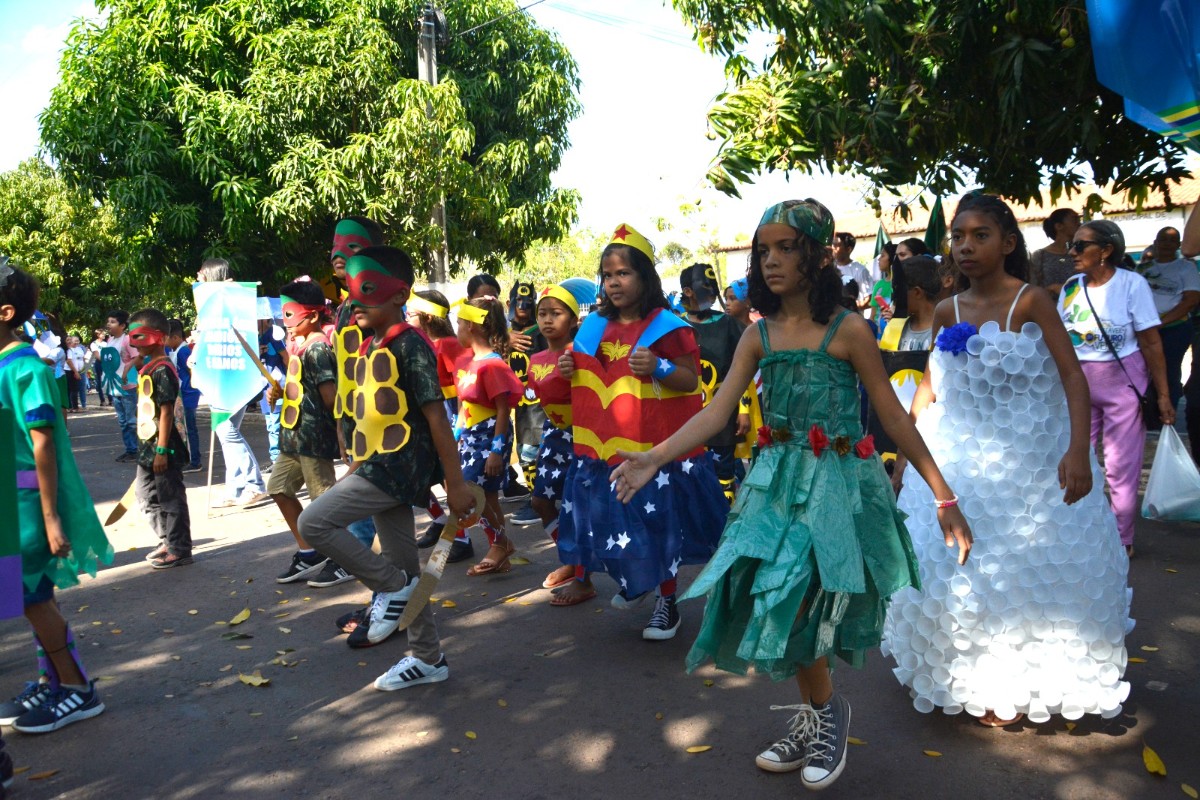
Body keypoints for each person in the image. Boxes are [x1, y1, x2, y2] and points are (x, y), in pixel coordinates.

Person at [610, 201, 970, 789]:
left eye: (786, 247)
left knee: (798, 598)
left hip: (834, 484)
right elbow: (717, 412)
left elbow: (895, 418)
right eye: (763, 250)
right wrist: (653, 457)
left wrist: (942, 494)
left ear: (818, 254)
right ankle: (818, 714)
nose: (771, 260)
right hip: (773, 483)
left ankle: (825, 714)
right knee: (779, 596)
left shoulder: (848, 329)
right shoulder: (758, 334)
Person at [884, 192, 1131, 728]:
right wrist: (908, 455)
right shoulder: (947, 309)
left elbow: (1072, 376)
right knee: (964, 572)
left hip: (1032, 465)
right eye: (958, 237)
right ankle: (975, 680)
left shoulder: (1032, 301)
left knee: (1029, 572)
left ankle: (1032, 680)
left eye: (980, 235)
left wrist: (1077, 450)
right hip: (959, 460)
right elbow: (932, 384)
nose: (966, 247)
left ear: (1008, 243)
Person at [296, 245, 476, 687]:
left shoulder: (412, 345)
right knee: (411, 574)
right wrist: (356, 457)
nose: (356, 301)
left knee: (314, 523)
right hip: (375, 463)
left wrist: (455, 484)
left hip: (397, 469)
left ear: (400, 295)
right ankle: (427, 659)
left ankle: (388, 587)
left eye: (369, 291)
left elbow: (438, 418)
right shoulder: (372, 343)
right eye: (352, 292)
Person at [557, 223, 727, 641]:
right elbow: (583, 377)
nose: (614, 282)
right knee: (608, 520)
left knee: (657, 527)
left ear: (645, 276)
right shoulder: (594, 326)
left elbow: (691, 381)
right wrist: (567, 368)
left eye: (623, 273)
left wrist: (660, 367)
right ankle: (638, 582)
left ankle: (666, 603)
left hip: (655, 451)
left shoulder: (669, 326)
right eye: (608, 274)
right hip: (603, 451)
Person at [0, 259, 114, 733]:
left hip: (25, 504)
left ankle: (76, 689)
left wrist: (50, 518)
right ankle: (54, 677)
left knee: (31, 598)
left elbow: (43, 439)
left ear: (5, 312)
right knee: (24, 596)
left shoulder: (25, 365)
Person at [1058, 219, 1174, 555]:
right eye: (1072, 245)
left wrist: (1164, 394)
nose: (1072, 252)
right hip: (1079, 383)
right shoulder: (1071, 287)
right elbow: (1060, 342)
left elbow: (1151, 343)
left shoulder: (1131, 284)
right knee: (1076, 459)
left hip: (1123, 382)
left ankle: (1121, 538)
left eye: (1081, 246)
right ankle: (1077, 530)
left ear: (1106, 250)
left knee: (1121, 464)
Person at [266, 281, 344, 586]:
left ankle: (343, 558)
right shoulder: (298, 347)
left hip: (313, 438)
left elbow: (330, 396)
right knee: (278, 488)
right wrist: (281, 391)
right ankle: (310, 550)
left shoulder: (318, 348)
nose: (286, 323)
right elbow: (302, 387)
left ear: (311, 316)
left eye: (290, 315)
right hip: (292, 439)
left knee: (323, 502)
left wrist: (341, 430)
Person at [526, 282, 592, 605]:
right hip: (554, 434)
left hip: (583, 434)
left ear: (573, 320)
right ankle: (570, 557)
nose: (548, 320)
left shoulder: (581, 353)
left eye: (557, 313)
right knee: (540, 502)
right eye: (543, 313)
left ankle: (584, 579)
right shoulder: (535, 358)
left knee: (577, 508)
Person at [453, 296, 525, 576]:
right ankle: (500, 552)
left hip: (489, 438)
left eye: (459, 323)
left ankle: (500, 544)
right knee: (489, 496)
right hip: (471, 439)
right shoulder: (469, 363)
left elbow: (503, 410)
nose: (456, 328)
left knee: (472, 493)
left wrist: (497, 451)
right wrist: (455, 436)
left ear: (471, 325)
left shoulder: (493, 365)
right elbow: (463, 407)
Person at [195, 258, 269, 507]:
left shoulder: (235, 299)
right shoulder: (209, 302)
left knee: (226, 431)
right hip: (218, 374)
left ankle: (254, 484)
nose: (197, 277)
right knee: (226, 431)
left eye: (201, 273)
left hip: (234, 374)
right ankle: (235, 488)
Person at [128, 309, 193, 568]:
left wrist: (162, 450)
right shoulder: (148, 367)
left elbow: (167, 412)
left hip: (163, 446)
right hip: (148, 445)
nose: (135, 342)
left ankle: (180, 548)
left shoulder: (163, 369)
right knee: (145, 495)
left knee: (170, 497)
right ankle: (167, 539)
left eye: (140, 335)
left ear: (160, 337)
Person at [680, 263, 748, 503]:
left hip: (723, 417)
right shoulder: (675, 327)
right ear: (688, 291)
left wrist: (744, 409)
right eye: (706, 287)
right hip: (684, 418)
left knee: (724, 475)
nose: (712, 292)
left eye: (713, 287)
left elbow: (742, 370)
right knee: (687, 474)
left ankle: (723, 527)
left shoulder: (729, 325)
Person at [407, 290, 463, 553]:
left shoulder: (449, 345)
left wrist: (460, 423)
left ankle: (461, 537)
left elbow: (463, 385)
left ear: (427, 317)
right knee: (417, 475)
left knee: (449, 478)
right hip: (427, 416)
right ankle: (440, 520)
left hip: (447, 414)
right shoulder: (418, 344)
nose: (406, 316)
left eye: (411, 313)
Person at [1137, 226, 1200, 412]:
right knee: (1141, 371)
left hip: (1175, 328)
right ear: (1155, 243)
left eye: (1172, 240)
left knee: (1169, 371)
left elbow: (1191, 300)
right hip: (1144, 328)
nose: (1167, 244)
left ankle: (1167, 414)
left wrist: (1161, 322)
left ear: (1179, 245)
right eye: (1163, 240)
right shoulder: (1142, 268)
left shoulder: (1186, 267)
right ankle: (1145, 414)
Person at [507, 281, 548, 527]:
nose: (522, 307)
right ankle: (537, 496)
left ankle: (539, 499)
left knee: (532, 451)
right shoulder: (506, 333)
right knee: (524, 451)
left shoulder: (539, 332)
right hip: (519, 403)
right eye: (518, 302)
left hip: (538, 403)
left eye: (528, 302)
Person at [100, 310, 139, 461]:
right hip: (114, 386)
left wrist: (127, 370)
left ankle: (136, 450)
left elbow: (137, 357)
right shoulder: (110, 340)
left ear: (122, 325)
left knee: (131, 420)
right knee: (122, 421)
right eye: (108, 321)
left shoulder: (127, 340)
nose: (108, 324)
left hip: (127, 386)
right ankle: (130, 449)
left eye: (112, 322)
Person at [166, 320, 203, 473]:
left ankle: (195, 461)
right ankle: (185, 457)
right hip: (181, 395)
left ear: (175, 337)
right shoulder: (174, 351)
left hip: (188, 394)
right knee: (181, 428)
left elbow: (192, 372)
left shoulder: (183, 352)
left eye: (166, 338)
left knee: (189, 428)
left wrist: (193, 389)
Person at [1028, 208, 1081, 296]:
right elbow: (1032, 288)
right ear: (1059, 226)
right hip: (1048, 307)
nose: (1079, 224)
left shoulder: (1083, 253)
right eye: (1074, 220)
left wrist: (1063, 289)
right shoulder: (1040, 256)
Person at [832, 231, 872, 308]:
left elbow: (868, 300)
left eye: (838, 245)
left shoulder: (861, 270)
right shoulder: (830, 268)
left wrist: (848, 307)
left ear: (848, 249)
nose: (833, 248)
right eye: (833, 244)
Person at [65, 335, 88, 413]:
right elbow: (69, 361)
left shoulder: (79, 349)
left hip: (80, 371)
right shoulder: (69, 350)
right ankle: (73, 407)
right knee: (73, 389)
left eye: (77, 341)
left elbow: (82, 358)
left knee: (80, 388)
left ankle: (80, 405)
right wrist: (75, 372)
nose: (76, 342)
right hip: (70, 371)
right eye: (74, 341)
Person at [89, 329, 108, 406]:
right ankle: (102, 400)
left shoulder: (106, 343)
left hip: (107, 363)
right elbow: (97, 355)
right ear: (98, 335)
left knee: (108, 380)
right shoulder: (94, 344)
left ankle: (110, 399)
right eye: (102, 334)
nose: (104, 335)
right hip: (99, 363)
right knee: (99, 381)